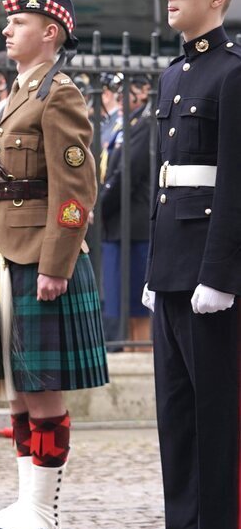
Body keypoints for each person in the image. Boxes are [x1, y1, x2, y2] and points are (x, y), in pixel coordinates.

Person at [0, 0, 108, 529]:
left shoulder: (60, 93)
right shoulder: (20, 91)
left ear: (51, 32)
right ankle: (25, 504)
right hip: (10, 256)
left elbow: (75, 191)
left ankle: (42, 516)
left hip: (43, 262)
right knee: (20, 389)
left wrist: (57, 264)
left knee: (43, 391)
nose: (7, 29)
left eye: (18, 22)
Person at [124, 0, 241, 529]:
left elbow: (233, 187)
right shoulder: (173, 74)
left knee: (215, 412)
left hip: (209, 277)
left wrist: (221, 275)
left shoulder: (233, 73)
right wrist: (155, 263)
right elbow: (167, 181)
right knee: (175, 413)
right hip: (172, 268)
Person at [98, 75, 153, 347]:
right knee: (122, 305)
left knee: (136, 307)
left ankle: (140, 362)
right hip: (117, 224)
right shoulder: (124, 125)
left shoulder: (145, 124)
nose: (120, 99)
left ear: (143, 91)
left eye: (125, 93)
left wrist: (99, 206)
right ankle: (131, 352)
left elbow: (126, 176)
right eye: (117, 95)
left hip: (133, 225)